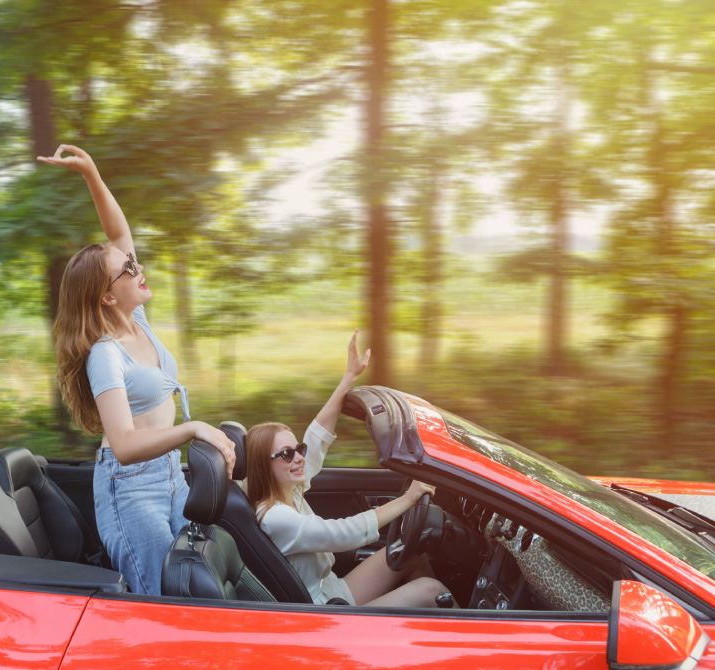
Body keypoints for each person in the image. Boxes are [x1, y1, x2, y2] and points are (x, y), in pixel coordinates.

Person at [42, 144, 236, 596]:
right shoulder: (104, 355)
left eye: (133, 263)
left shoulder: (138, 322)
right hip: (130, 490)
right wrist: (194, 430)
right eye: (128, 269)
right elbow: (126, 446)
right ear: (107, 297)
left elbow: (118, 231)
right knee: (162, 604)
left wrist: (91, 172)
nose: (137, 266)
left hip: (170, 475)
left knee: (191, 595)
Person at [245, 330, 455, 608]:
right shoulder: (276, 517)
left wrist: (350, 376)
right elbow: (341, 533)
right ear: (264, 464)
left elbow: (316, 436)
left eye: (298, 449)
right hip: (326, 612)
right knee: (432, 590)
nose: (298, 458)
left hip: (332, 589)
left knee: (411, 554)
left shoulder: (288, 490)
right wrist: (408, 499)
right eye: (286, 454)